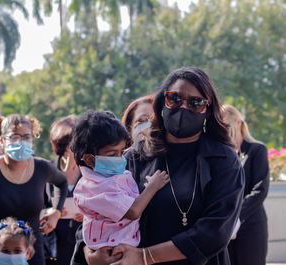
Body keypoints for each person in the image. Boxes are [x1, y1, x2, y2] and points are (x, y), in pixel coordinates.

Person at [83, 66, 245, 265]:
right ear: (162, 103)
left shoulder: (223, 159)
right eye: (175, 99)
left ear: (208, 112)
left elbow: (215, 230)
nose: (183, 108)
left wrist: (145, 256)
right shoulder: (136, 156)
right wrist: (90, 254)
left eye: (195, 103)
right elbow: (95, 204)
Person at [72, 110, 169, 250]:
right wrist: (153, 186)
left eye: (121, 151)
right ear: (89, 159)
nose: (120, 158)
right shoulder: (98, 186)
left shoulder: (106, 175)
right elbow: (133, 212)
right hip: (114, 248)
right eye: (112, 154)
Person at [0, 114, 68, 265]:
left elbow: (62, 182)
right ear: (2, 141)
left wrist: (56, 212)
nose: (21, 141)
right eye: (14, 136)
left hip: (33, 253)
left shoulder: (41, 167)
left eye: (26, 137)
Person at [223, 105, 269, 265]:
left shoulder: (257, 150)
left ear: (238, 122)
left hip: (251, 224)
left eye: (227, 125)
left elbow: (260, 189)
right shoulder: (224, 154)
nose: (225, 131)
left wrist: (236, 217)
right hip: (226, 227)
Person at [45, 115, 83, 265]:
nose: (69, 148)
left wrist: (88, 215)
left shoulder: (91, 171)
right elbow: (33, 207)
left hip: (84, 246)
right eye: (64, 143)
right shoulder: (46, 170)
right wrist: (50, 213)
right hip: (53, 249)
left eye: (74, 142)